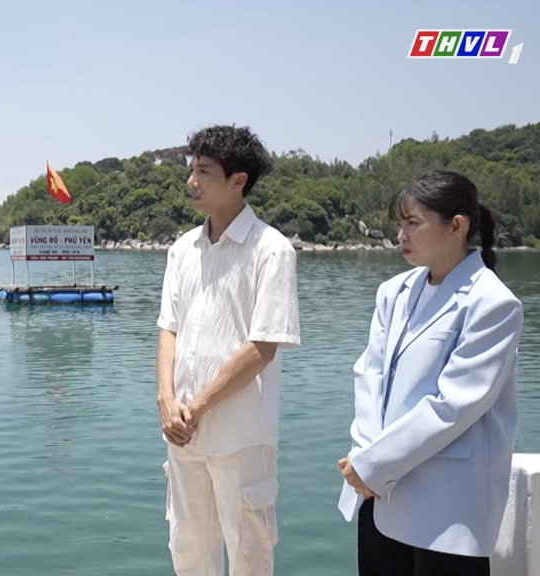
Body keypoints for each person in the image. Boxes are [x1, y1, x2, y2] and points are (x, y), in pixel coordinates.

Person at [337, 170, 524, 576]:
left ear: (456, 226)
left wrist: (374, 466)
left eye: (412, 223)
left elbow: (453, 406)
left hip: (447, 506)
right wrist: (366, 458)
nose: (400, 235)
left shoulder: (492, 303)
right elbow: (370, 376)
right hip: (378, 495)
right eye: (399, 224)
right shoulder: (394, 292)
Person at [156, 125, 301, 576]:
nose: (191, 181)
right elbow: (168, 328)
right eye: (192, 169)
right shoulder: (183, 249)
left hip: (240, 434)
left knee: (248, 553)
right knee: (188, 547)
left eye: (204, 171)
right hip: (183, 431)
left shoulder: (271, 250)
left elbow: (262, 347)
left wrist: (197, 406)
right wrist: (166, 400)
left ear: (238, 180)